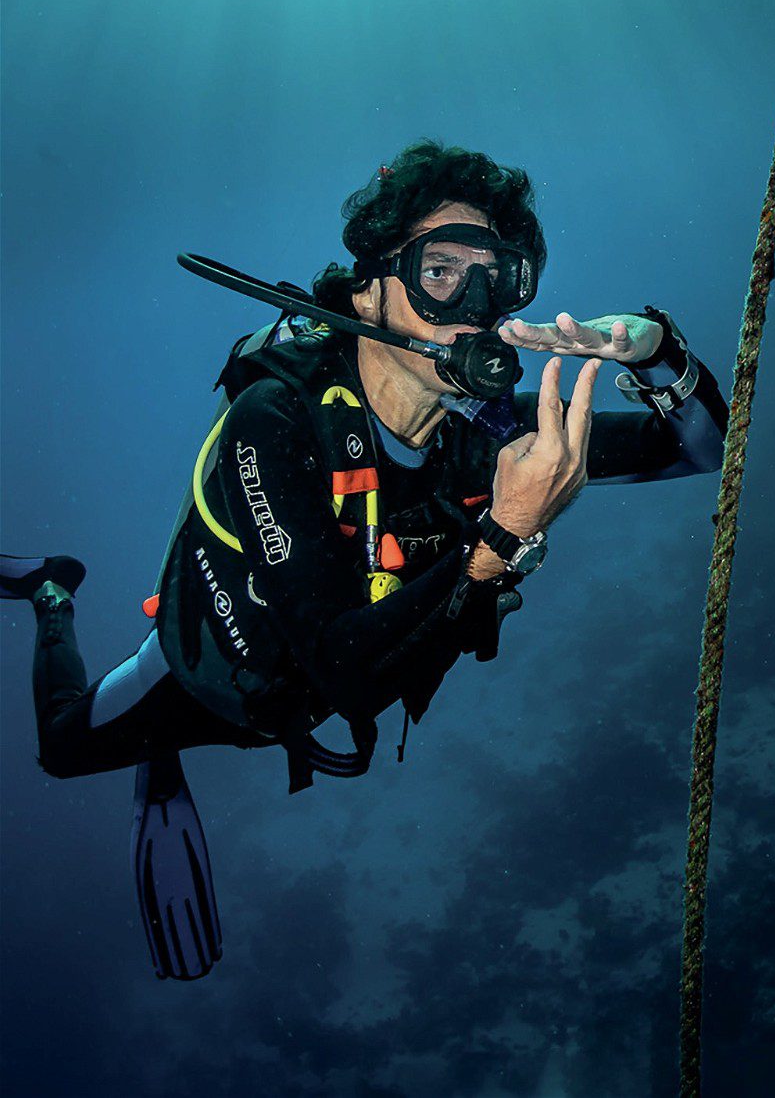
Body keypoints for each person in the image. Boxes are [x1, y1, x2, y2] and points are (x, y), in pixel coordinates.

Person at [3, 141, 727, 978]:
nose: (476, 304)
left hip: (311, 700)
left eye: (503, 276)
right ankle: (53, 590)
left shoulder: (480, 439)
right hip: (205, 673)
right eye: (442, 271)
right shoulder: (276, 420)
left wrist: (655, 351)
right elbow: (345, 668)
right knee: (63, 746)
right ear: (371, 287)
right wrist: (502, 535)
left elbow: (702, 449)